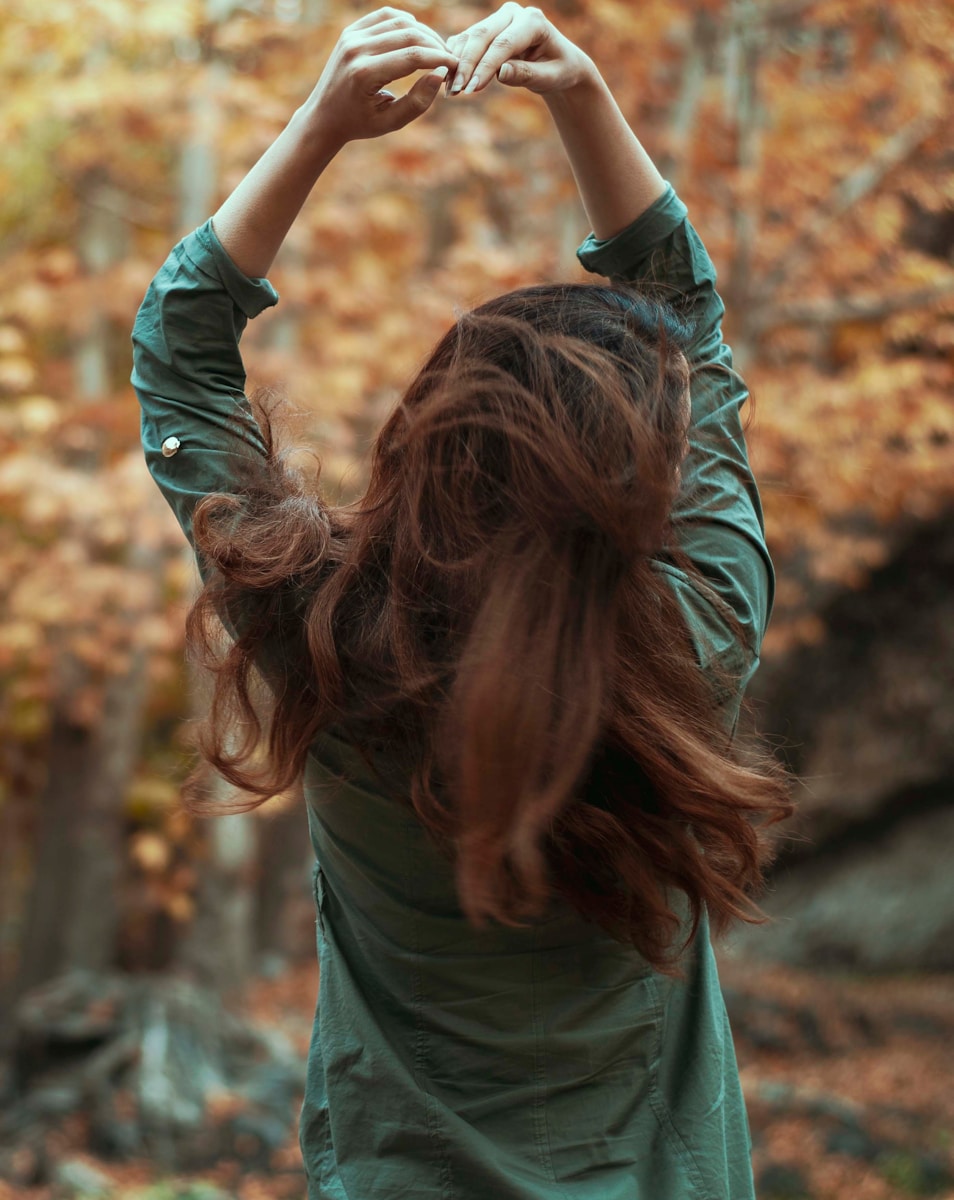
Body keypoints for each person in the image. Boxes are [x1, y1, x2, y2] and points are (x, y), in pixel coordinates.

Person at [132, 5, 792, 1197]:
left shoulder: (322, 638)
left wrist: (322, 126)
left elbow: (180, 355)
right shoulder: (697, 642)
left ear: (426, 436)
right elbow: (694, 329)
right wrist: (583, 95)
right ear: (637, 486)